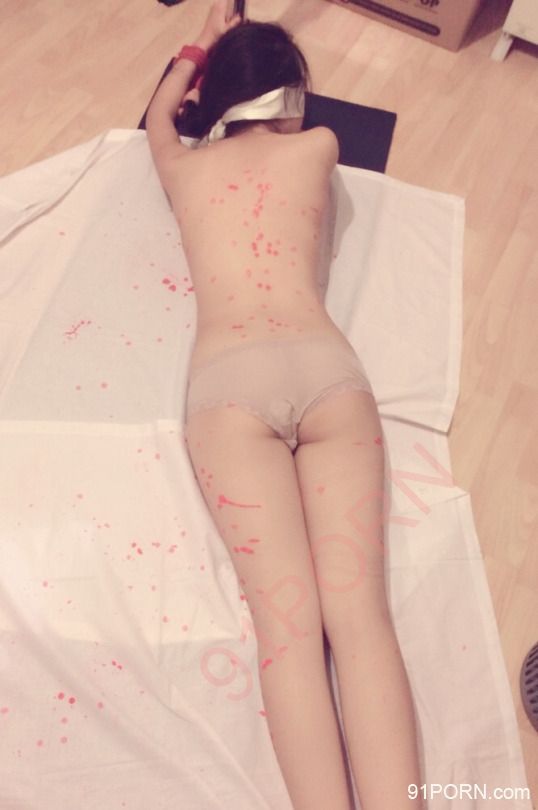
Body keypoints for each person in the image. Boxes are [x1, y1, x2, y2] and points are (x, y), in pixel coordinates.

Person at [146, 2, 425, 808]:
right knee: (361, 622)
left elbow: (161, 115)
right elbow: (290, 117)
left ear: (215, 99)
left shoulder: (180, 166)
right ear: (290, 97)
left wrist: (201, 43)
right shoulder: (320, 146)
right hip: (328, 374)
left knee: (289, 635)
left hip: (229, 391)